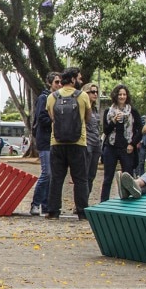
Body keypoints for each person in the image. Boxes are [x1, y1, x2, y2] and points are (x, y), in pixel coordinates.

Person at [46, 67, 91, 220]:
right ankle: (82, 211)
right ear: (72, 79)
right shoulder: (83, 96)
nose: (81, 80)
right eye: (79, 78)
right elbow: (87, 118)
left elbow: (52, 117)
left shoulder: (52, 97)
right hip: (78, 142)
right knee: (80, 179)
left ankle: (53, 211)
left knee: (56, 178)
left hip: (57, 142)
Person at [99, 84, 142, 202]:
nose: (122, 97)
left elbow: (139, 130)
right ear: (115, 96)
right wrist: (113, 121)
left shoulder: (133, 111)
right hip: (111, 146)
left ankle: (129, 203)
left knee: (128, 177)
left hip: (126, 147)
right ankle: (104, 202)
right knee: (108, 177)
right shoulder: (108, 111)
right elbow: (106, 131)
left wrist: (132, 144)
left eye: (124, 94)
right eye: (120, 94)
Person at [29, 72, 61, 216]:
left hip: (56, 140)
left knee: (52, 174)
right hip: (45, 139)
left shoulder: (60, 98)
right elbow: (41, 118)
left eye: (60, 82)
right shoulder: (44, 98)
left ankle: (46, 205)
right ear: (49, 83)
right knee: (46, 173)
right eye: (56, 82)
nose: (59, 85)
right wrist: (56, 119)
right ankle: (35, 203)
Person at [81, 82, 101, 196]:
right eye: (92, 92)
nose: (95, 94)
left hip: (96, 143)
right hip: (86, 142)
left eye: (96, 92)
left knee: (92, 175)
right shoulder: (82, 107)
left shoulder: (95, 109)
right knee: (84, 174)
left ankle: (86, 198)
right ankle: (81, 201)